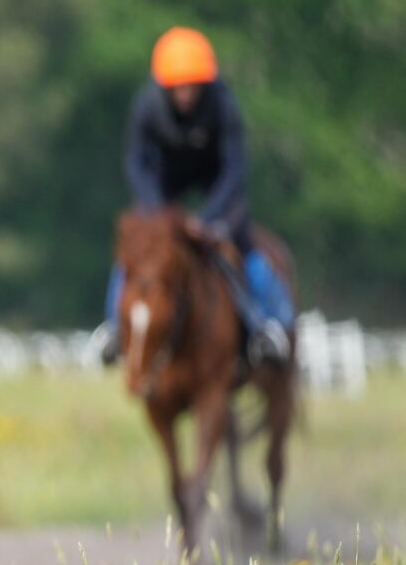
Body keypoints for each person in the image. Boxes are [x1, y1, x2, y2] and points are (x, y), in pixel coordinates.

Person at [101, 25, 294, 366]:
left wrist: (209, 219)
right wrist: (155, 210)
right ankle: (115, 326)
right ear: (164, 86)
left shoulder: (224, 106)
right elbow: (137, 163)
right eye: (178, 86)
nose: (186, 94)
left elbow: (235, 167)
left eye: (193, 85)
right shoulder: (146, 106)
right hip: (167, 180)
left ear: (206, 83)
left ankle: (270, 323)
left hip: (216, 177)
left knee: (244, 244)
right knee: (137, 248)